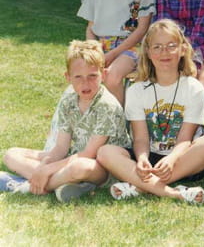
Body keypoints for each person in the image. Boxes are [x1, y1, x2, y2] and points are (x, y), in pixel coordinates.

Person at [96, 20, 204, 204]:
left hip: (183, 158)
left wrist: (171, 159)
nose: (164, 52)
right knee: (105, 152)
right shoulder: (137, 90)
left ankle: (140, 186)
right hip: (150, 155)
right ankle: (174, 193)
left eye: (171, 46)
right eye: (157, 47)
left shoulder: (194, 88)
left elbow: (185, 138)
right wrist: (142, 159)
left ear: (182, 49)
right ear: (148, 52)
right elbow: (140, 138)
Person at [0, 41, 130, 202]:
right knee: (11, 154)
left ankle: (25, 185)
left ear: (103, 75)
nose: (85, 83)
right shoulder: (68, 101)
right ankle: (62, 183)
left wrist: (47, 170)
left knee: (80, 167)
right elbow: (61, 148)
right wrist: (44, 166)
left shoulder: (107, 105)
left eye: (92, 76)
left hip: (102, 169)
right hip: (74, 158)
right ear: (68, 77)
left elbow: (89, 154)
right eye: (78, 77)